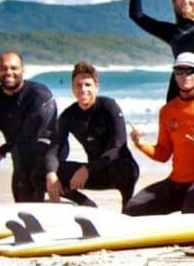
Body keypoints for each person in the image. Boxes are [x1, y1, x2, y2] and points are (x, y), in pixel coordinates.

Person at [125, 53, 194, 215]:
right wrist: (141, 144)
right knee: (132, 208)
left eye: (190, 71)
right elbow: (163, 154)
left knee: (193, 208)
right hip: (176, 183)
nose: (184, 75)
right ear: (174, 76)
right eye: (179, 71)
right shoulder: (167, 111)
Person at [46, 61, 139, 208]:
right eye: (78, 85)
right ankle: (86, 205)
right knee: (43, 172)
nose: (83, 89)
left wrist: (87, 169)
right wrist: (51, 173)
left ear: (97, 87)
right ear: (72, 88)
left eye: (88, 85)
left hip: (119, 169)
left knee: (125, 168)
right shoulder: (68, 115)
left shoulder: (108, 107)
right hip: (95, 173)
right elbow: (54, 149)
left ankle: (128, 209)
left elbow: (118, 146)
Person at [0, 51, 58, 202]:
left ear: (23, 70)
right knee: (22, 197)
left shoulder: (39, 94)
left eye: (14, 68)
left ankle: (84, 207)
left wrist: (3, 149)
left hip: (48, 152)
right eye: (4, 68)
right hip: (19, 153)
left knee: (32, 170)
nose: (9, 72)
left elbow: (31, 135)